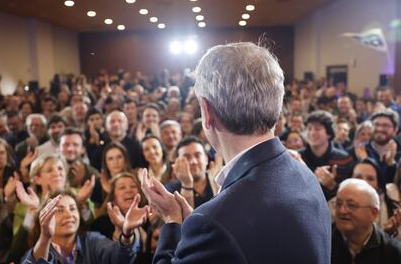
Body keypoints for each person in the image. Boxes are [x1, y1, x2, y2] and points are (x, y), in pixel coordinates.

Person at [141, 42, 331, 263]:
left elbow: (232, 229)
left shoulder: (214, 224)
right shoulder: (305, 174)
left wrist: (172, 221)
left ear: (207, 111)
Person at [21, 189, 148, 263]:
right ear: (45, 217)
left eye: (72, 208)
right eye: (59, 210)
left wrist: (126, 233)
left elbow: (120, 258)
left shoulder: (92, 240)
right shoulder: (36, 251)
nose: (69, 215)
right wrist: (45, 236)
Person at [332, 178, 401, 263]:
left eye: (351, 205)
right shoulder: (324, 243)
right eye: (338, 204)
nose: (342, 210)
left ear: (373, 213)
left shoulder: (394, 252)